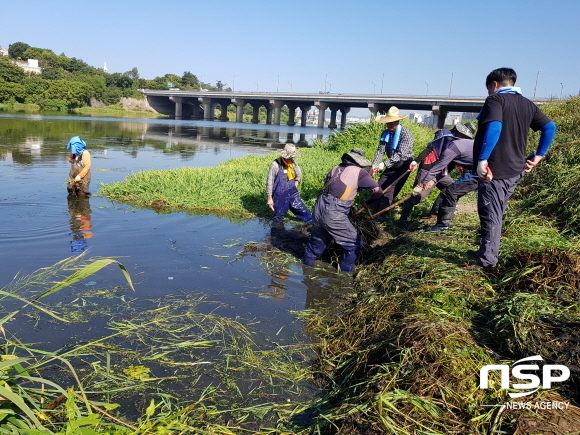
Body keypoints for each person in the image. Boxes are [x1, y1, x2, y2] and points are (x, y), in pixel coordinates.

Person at [467, 67, 556, 270]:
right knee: (493, 211)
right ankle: (486, 251)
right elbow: (550, 127)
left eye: (489, 88)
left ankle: (487, 261)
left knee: (491, 213)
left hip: (495, 169)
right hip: (515, 169)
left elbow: (495, 127)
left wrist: (482, 159)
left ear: (494, 85)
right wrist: (539, 155)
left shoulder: (495, 100)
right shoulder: (527, 104)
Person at [304, 149, 382, 272]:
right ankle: (344, 278)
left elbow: (338, 188)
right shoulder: (360, 172)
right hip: (334, 211)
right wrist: (370, 202)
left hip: (319, 207)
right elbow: (378, 191)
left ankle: (307, 271)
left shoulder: (335, 168)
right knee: (354, 245)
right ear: (360, 161)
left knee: (316, 244)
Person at [397, 123, 477, 228]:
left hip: (442, 172)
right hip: (429, 168)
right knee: (418, 195)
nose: (466, 139)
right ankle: (402, 220)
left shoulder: (459, 144)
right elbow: (429, 149)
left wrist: (435, 179)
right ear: (460, 132)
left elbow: (453, 163)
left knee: (451, 189)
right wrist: (417, 163)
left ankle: (435, 212)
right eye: (465, 136)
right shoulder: (445, 136)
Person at [370, 106, 416, 216]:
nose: (389, 125)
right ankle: (374, 211)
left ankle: (383, 215)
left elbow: (400, 155)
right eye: (387, 123)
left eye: (391, 123)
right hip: (391, 165)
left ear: (397, 121)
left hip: (403, 165)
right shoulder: (385, 134)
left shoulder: (406, 134)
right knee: (378, 188)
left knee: (389, 190)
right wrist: (375, 164)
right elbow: (380, 151)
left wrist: (384, 164)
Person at [266, 143, 312, 223]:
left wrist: (296, 182)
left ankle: (313, 224)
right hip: (279, 195)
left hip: (292, 193)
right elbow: (270, 182)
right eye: (289, 156)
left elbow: (299, 174)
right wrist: (269, 198)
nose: (291, 158)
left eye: (292, 157)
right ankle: (276, 232)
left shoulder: (293, 164)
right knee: (278, 217)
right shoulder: (275, 164)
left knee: (303, 211)